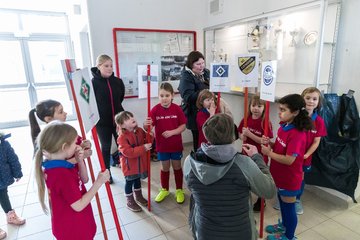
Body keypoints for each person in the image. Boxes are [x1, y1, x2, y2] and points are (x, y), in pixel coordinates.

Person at [184, 113, 276, 240]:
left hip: (205, 232)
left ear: (206, 134)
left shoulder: (190, 161)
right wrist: (257, 158)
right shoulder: (244, 163)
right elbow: (269, 190)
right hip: (239, 233)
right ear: (233, 136)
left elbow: (192, 188)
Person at [34, 122, 109, 240]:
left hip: (73, 223)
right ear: (64, 147)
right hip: (74, 229)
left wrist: (79, 161)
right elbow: (78, 205)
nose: (78, 146)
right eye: (75, 143)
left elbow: (84, 180)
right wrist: (98, 183)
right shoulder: (60, 174)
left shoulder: (60, 165)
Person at [261, 94, 313, 240]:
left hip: (289, 178)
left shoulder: (297, 133)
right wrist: (270, 143)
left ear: (295, 112)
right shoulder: (284, 126)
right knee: (282, 203)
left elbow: (290, 159)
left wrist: (269, 153)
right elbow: (280, 147)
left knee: (289, 207)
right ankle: (284, 226)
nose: (279, 112)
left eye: (283, 109)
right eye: (279, 109)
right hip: (279, 175)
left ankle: (289, 236)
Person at [29, 99, 91, 185]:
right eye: (60, 112)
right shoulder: (50, 139)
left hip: (76, 173)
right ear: (48, 118)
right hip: (66, 178)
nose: (65, 113)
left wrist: (83, 145)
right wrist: (80, 157)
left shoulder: (65, 129)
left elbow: (74, 145)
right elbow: (56, 165)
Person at [147, 82, 187, 204]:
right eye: (161, 95)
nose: (164, 98)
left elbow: (183, 126)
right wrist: (146, 125)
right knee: (164, 168)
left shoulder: (177, 109)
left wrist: (173, 132)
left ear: (172, 95)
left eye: (167, 95)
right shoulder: (155, 110)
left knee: (177, 167)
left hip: (175, 145)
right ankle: (164, 189)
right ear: (158, 96)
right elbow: (149, 127)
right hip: (162, 146)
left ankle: (179, 190)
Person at [91, 54, 125, 184]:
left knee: (122, 145)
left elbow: (119, 98)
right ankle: (107, 173)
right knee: (105, 147)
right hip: (102, 122)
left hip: (118, 121)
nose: (109, 68)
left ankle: (128, 170)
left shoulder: (117, 82)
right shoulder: (93, 83)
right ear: (99, 66)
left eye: (111, 65)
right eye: (106, 66)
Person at [238, 94, 273, 212]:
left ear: (264, 108)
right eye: (253, 105)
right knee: (245, 175)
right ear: (250, 106)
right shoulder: (245, 119)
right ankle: (244, 197)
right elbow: (240, 134)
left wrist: (249, 134)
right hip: (245, 153)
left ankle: (261, 200)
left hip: (260, 156)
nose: (256, 108)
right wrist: (242, 135)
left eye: (259, 106)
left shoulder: (265, 123)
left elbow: (263, 141)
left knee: (259, 177)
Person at [295, 87, 327, 214]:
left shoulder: (319, 122)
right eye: (308, 98)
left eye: (314, 99)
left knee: (300, 178)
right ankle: (285, 198)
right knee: (290, 176)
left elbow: (316, 141)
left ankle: (296, 200)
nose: (311, 101)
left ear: (318, 102)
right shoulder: (295, 116)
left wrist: (307, 154)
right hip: (291, 155)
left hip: (304, 157)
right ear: (302, 99)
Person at [115, 111, 153, 212]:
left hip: (140, 164)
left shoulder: (139, 131)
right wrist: (143, 148)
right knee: (129, 182)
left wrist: (149, 132)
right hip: (130, 166)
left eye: (132, 116)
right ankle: (130, 201)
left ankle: (138, 196)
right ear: (122, 125)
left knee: (137, 180)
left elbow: (148, 141)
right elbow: (128, 152)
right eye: (128, 118)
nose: (132, 118)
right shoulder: (122, 138)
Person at [178, 50, 210, 151]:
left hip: (209, 111)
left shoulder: (206, 72)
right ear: (191, 64)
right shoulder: (186, 76)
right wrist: (206, 92)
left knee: (209, 137)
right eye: (198, 64)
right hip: (194, 114)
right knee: (198, 140)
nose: (201, 66)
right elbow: (188, 96)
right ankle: (198, 160)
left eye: (203, 63)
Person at [0, 133, 26, 240]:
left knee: (4, 196)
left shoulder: (4, 144)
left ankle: (10, 216)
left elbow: (13, 159)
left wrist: (17, 173)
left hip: (2, 179)